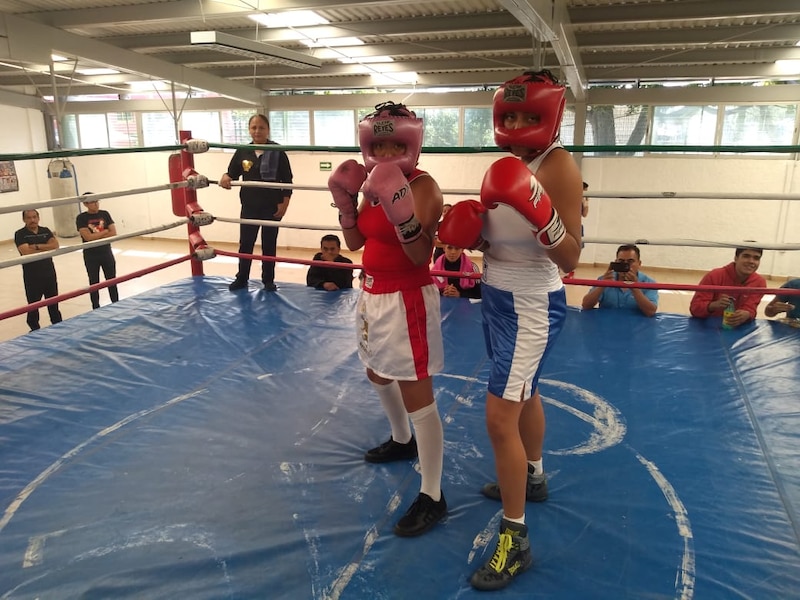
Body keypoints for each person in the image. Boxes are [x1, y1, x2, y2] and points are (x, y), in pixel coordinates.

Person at [438, 70, 582, 591]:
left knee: (500, 419)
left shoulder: (558, 166)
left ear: (551, 116)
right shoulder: (510, 166)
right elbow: (501, 241)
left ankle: (516, 540)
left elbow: (569, 257)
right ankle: (535, 477)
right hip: (498, 297)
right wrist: (473, 232)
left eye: (529, 116)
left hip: (531, 303)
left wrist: (540, 211)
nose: (518, 124)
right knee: (527, 394)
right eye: (510, 116)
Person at [327, 101, 447, 537]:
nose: (389, 151)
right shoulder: (371, 183)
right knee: (377, 373)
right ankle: (402, 441)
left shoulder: (425, 187)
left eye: (398, 143)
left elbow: (421, 256)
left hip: (407, 296)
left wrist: (405, 216)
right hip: (371, 291)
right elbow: (357, 240)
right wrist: (344, 202)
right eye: (380, 144)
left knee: (419, 393)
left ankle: (433, 494)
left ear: (412, 144)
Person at [219, 114, 293, 292]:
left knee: (269, 244)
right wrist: (225, 176)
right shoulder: (243, 150)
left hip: (272, 206)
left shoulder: (277, 151)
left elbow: (288, 179)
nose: (257, 131)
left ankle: (268, 280)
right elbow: (232, 172)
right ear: (249, 130)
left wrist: (285, 202)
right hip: (249, 205)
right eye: (254, 127)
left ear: (268, 130)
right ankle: (242, 278)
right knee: (246, 243)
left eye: (261, 127)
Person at [689, 247, 766, 327]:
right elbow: (695, 308)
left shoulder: (759, 282)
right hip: (708, 328)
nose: (751, 261)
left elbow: (751, 308)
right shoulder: (714, 276)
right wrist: (714, 305)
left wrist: (747, 314)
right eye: (746, 256)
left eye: (756, 258)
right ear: (736, 258)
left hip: (738, 329)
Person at [14, 209, 63, 331]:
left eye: (34, 217)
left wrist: (36, 246)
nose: (32, 220)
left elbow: (55, 246)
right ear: (24, 220)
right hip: (32, 275)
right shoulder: (20, 233)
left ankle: (58, 327)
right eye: (29, 218)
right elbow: (25, 251)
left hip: (49, 272)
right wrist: (46, 247)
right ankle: (34, 329)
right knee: (33, 305)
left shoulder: (45, 231)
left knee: (53, 302)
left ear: (38, 217)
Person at [580, 244, 658, 317]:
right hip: (608, 326)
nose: (625, 265)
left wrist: (635, 288)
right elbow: (586, 305)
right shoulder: (605, 279)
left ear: (639, 263)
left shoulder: (649, 283)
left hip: (636, 328)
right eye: (621, 262)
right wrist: (602, 286)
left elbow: (650, 312)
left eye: (630, 262)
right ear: (616, 262)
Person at [76, 192, 119, 309]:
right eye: (92, 202)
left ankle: (116, 304)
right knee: (94, 282)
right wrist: (105, 231)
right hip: (91, 254)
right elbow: (88, 238)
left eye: (97, 201)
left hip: (106, 252)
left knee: (112, 279)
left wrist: (98, 235)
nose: (96, 204)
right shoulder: (81, 218)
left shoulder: (105, 214)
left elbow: (113, 233)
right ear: (85, 204)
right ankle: (95, 307)